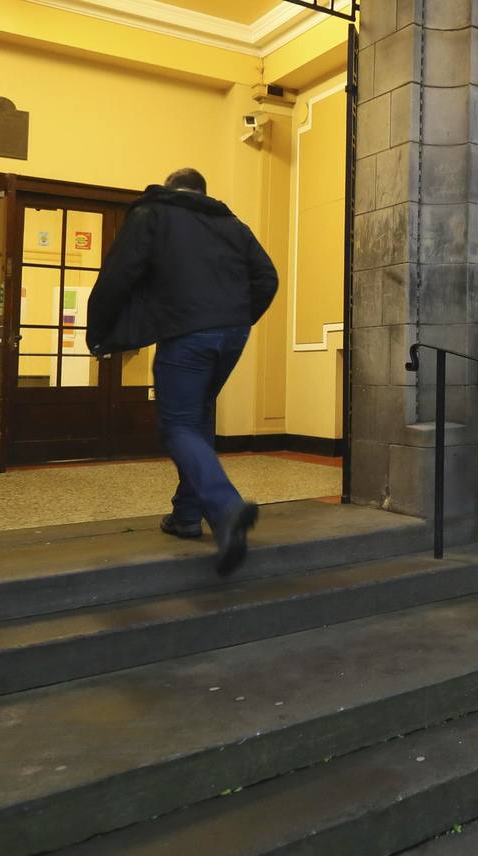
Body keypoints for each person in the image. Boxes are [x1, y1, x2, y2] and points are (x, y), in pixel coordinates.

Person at [88, 168, 278, 575]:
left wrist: (100, 333)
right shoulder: (232, 224)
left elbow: (119, 275)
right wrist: (238, 317)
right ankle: (187, 515)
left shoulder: (153, 214)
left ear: (171, 189)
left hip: (186, 333)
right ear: (203, 193)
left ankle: (227, 511)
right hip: (232, 334)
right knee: (198, 417)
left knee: (177, 426)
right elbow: (267, 277)